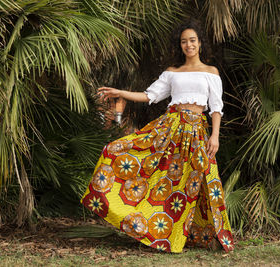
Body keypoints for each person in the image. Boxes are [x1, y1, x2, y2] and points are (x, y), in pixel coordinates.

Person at [81, 21, 234, 253]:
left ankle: (196, 235)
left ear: (200, 43)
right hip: (169, 129)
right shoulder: (172, 73)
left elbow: (215, 108)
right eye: (184, 41)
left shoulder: (211, 73)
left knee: (192, 183)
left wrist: (215, 136)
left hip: (197, 133)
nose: (188, 45)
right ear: (180, 45)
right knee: (160, 178)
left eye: (192, 40)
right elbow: (149, 95)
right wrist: (120, 92)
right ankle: (157, 232)